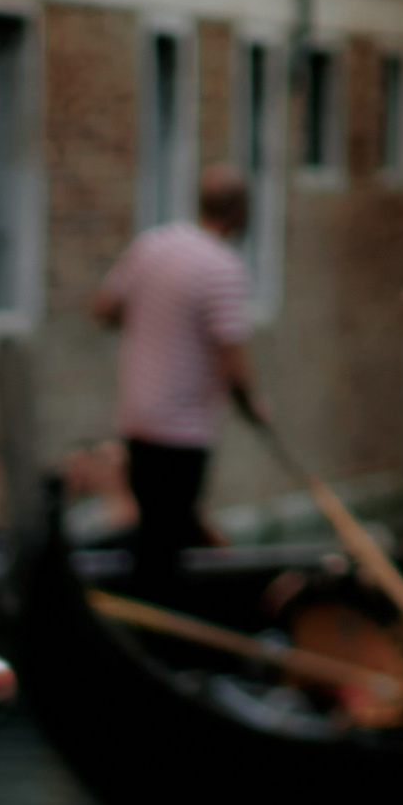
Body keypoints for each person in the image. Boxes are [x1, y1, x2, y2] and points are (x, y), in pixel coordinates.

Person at [92, 166, 268, 602]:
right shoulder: (223, 268)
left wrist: (156, 317)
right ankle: (164, 628)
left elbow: (104, 309)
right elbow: (233, 360)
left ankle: (151, 618)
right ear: (240, 212)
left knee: (153, 530)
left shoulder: (154, 245)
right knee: (168, 542)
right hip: (183, 429)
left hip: (138, 418)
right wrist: (253, 406)